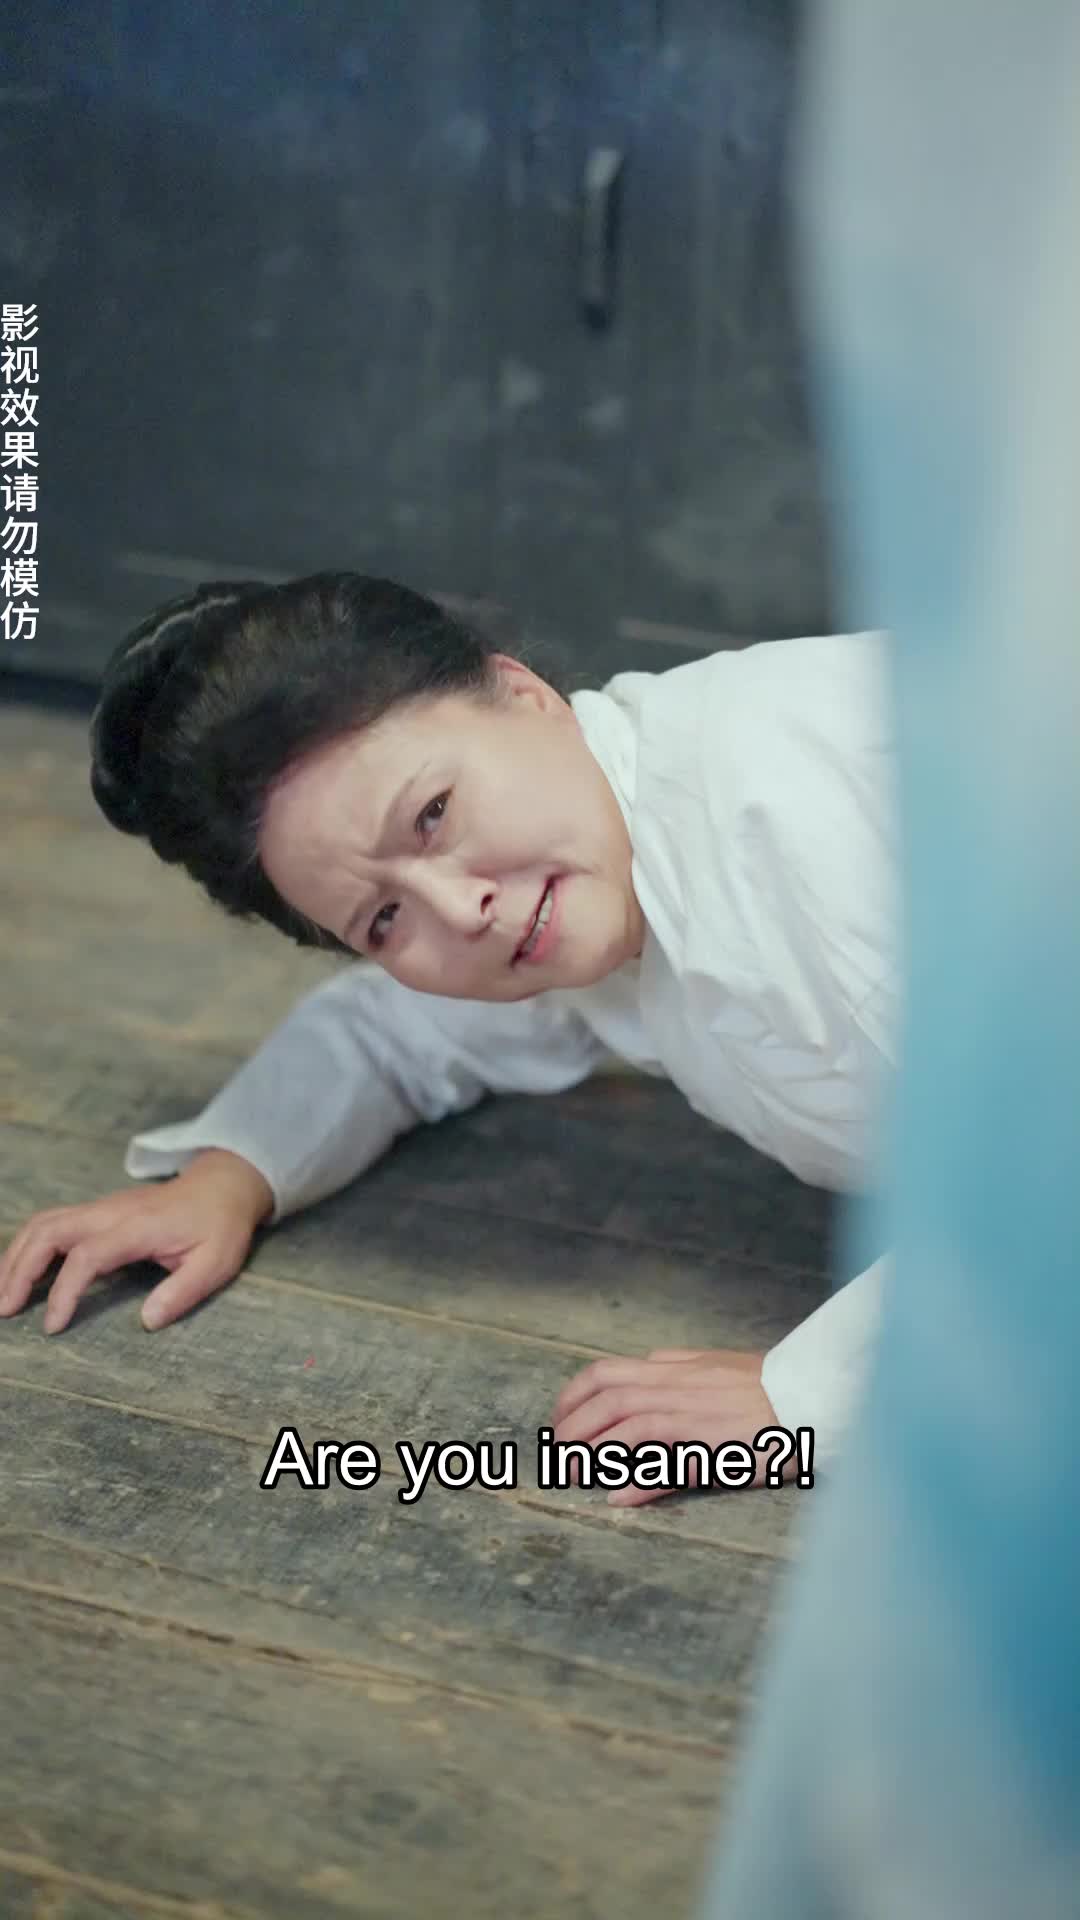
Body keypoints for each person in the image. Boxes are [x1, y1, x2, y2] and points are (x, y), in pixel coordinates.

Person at [0, 571, 898, 1503]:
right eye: (384, 919)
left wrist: (799, 1398)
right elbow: (393, 1031)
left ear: (522, 693)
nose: (462, 910)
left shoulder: (785, 806)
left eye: (433, 814)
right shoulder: (581, 853)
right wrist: (227, 1178)